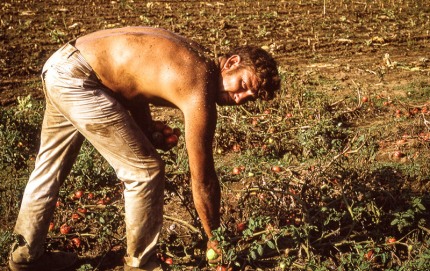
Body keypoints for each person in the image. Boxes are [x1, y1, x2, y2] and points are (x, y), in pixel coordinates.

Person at [8, 26, 280, 271]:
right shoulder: (201, 83)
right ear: (231, 62)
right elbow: (203, 177)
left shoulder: (194, 58)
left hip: (63, 63)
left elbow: (130, 84)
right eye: (242, 85)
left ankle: (26, 256)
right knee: (145, 170)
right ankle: (141, 265)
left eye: (248, 98)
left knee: (50, 165)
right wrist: (215, 238)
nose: (238, 97)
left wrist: (147, 127)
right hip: (79, 78)